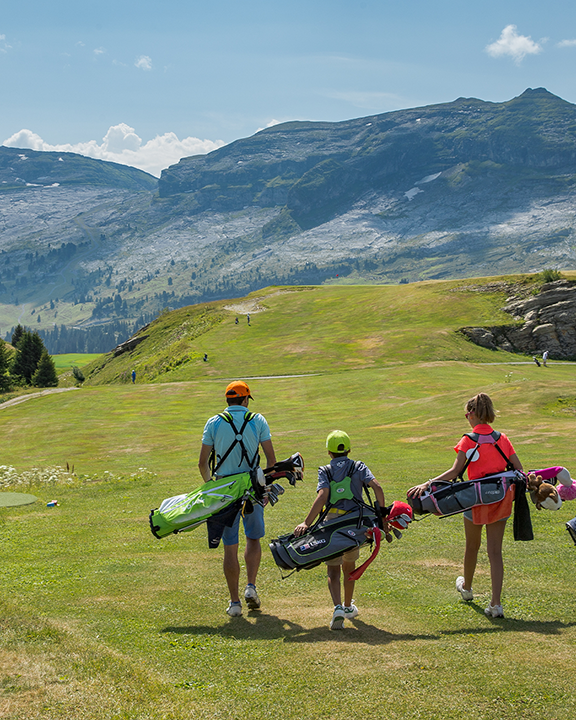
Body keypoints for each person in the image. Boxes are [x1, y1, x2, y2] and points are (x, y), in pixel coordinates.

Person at [407, 392, 523, 619]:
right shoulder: (503, 439)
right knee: (495, 553)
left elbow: (454, 473)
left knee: (472, 546)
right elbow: (519, 470)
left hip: (475, 500)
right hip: (500, 499)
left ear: (472, 414)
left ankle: (467, 588)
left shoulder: (468, 440)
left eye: (466, 413)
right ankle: (496, 604)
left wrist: (428, 484)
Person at [198, 380, 276, 617]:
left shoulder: (214, 422)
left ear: (227, 401)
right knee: (253, 538)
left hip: (224, 492)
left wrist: (212, 487)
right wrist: (265, 489)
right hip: (252, 488)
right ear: (245, 400)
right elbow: (271, 461)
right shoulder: (258, 420)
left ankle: (234, 603)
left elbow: (202, 464)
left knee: (229, 547)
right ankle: (251, 587)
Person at [294, 430, 386, 630]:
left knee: (332, 569)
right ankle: (347, 606)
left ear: (329, 452)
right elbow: (377, 488)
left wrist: (306, 523)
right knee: (349, 567)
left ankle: (337, 608)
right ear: (349, 449)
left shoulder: (324, 470)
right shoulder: (358, 466)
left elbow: (322, 496)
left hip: (332, 524)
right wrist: (382, 516)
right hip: (355, 523)